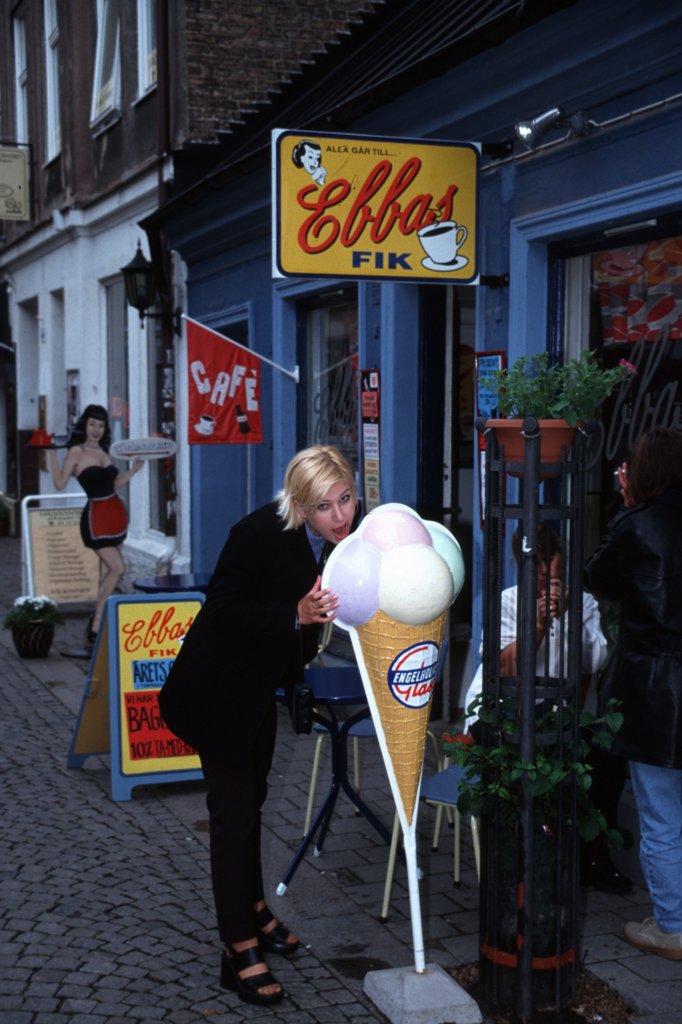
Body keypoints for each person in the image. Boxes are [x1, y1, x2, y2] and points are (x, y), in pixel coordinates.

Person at [158, 445, 358, 1006]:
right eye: (325, 506)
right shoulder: (258, 532)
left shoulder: (344, 538)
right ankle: (237, 948)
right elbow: (218, 609)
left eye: (346, 498)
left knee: (255, 802)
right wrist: (292, 615)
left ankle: (256, 910)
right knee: (235, 817)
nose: (341, 515)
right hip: (216, 692)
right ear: (299, 505)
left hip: (259, 691)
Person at [464, 524, 631, 892]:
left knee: (607, 758)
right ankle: (521, 857)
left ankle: (592, 856)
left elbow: (595, 659)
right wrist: (538, 622)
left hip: (559, 715)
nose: (543, 569)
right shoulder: (507, 601)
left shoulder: (583, 603)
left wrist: (565, 616)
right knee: (525, 757)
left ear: (563, 557)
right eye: (534, 560)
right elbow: (504, 668)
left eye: (549, 557)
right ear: (519, 563)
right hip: (502, 712)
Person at [585, 426, 682, 960]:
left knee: (662, 813)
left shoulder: (638, 524)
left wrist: (626, 508)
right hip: (663, 683)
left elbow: (597, 576)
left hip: (658, 691)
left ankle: (672, 925)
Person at [49, 404, 143, 643]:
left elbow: (111, 485)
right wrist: (50, 453)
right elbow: (60, 483)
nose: (96, 429)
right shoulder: (76, 452)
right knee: (118, 568)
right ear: (85, 424)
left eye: (101, 425)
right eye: (92, 423)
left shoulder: (104, 451)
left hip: (115, 515)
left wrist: (132, 471)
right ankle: (97, 623)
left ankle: (97, 626)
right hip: (96, 518)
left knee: (106, 574)